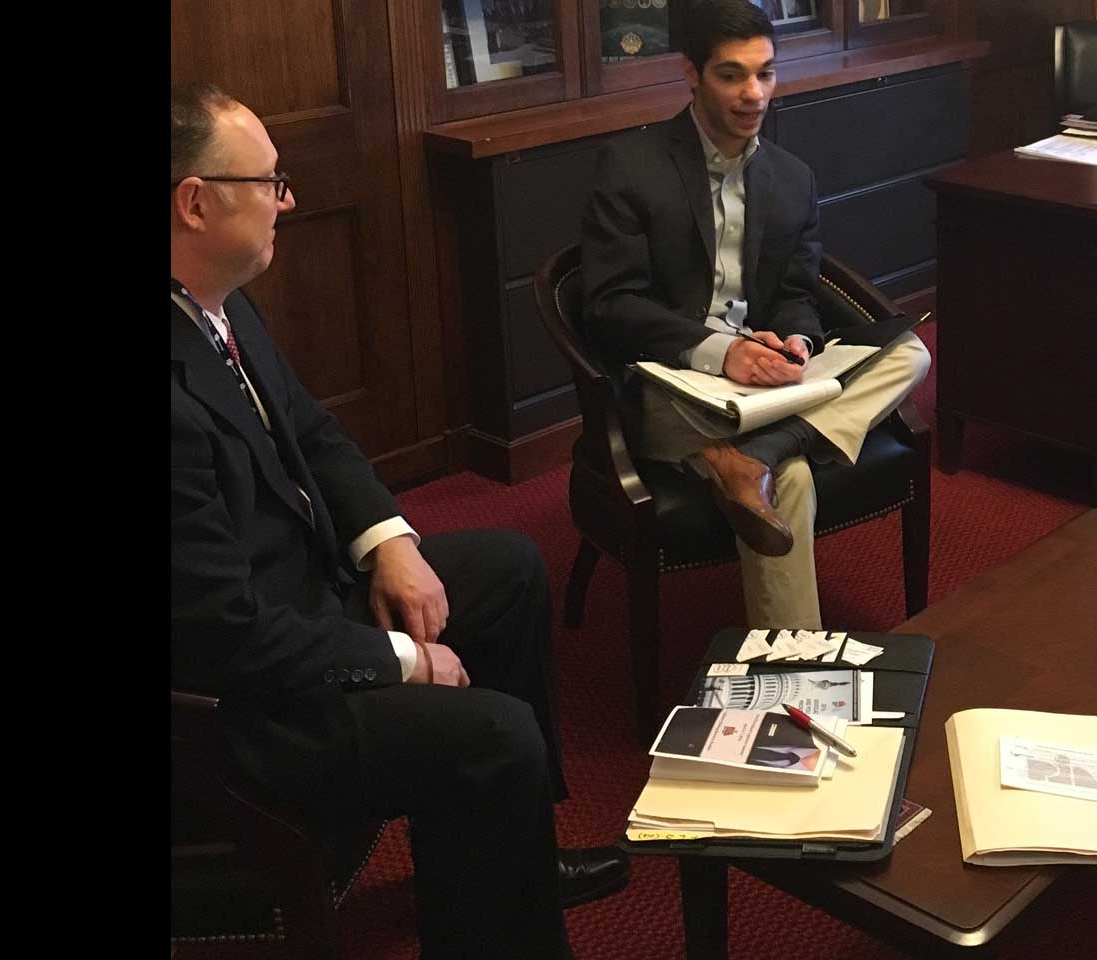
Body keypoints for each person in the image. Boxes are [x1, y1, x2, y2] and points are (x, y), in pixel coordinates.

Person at [170, 81, 627, 958]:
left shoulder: (216, 301)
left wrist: (393, 541)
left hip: (294, 599)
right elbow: (217, 636)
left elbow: (313, 431)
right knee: (496, 737)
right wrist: (400, 659)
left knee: (508, 568)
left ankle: (514, 855)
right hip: (234, 708)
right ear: (195, 201)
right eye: (269, 182)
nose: (288, 200)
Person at [579, 0, 931, 630]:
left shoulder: (791, 178)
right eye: (731, 74)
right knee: (791, 479)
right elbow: (610, 303)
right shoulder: (631, 168)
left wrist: (796, 339)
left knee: (912, 352)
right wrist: (721, 351)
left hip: (762, 383)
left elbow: (798, 290)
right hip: (674, 382)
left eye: (765, 73)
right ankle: (795, 673)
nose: (753, 94)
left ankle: (755, 455)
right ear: (690, 72)